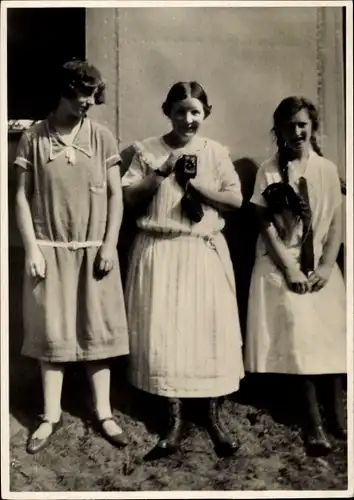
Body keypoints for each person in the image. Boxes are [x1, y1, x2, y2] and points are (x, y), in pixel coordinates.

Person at [122, 81, 244, 458]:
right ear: (167, 111)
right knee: (166, 335)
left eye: (195, 112)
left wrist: (200, 186)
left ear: (206, 112)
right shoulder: (146, 150)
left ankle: (212, 417)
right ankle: (173, 421)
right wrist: (163, 171)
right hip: (160, 250)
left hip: (201, 250)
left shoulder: (215, 152)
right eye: (180, 111)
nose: (188, 119)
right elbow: (128, 197)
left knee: (208, 333)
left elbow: (235, 200)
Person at [15, 59, 129, 454]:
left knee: (97, 330)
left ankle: (104, 413)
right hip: (50, 251)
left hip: (94, 250)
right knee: (52, 332)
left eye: (93, 95)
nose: (88, 102)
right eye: (82, 94)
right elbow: (21, 198)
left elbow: (116, 196)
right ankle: (50, 415)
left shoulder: (102, 137)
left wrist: (110, 243)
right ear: (63, 90)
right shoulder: (34, 137)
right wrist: (32, 247)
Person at [245, 96, 346, 455]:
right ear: (279, 131)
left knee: (332, 328)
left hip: (320, 262)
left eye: (303, 124)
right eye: (289, 126)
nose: (297, 131)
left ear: (312, 127)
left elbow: (336, 223)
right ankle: (313, 423)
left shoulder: (326, 169)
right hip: (280, 261)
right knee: (302, 328)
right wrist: (289, 268)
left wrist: (325, 266)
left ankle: (337, 416)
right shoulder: (269, 171)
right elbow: (264, 224)